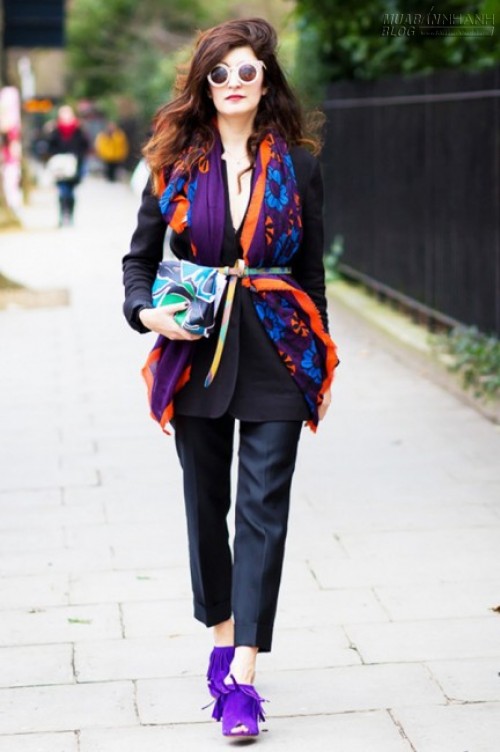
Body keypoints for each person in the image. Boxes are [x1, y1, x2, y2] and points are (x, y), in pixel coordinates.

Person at [122, 17, 338, 740]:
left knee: (264, 508)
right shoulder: (174, 161)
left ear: (266, 81)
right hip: (198, 351)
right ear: (204, 83)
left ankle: (243, 674)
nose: (235, 82)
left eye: (248, 70)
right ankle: (221, 638)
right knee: (205, 502)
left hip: (279, 347)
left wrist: (320, 356)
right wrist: (147, 314)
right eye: (221, 72)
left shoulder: (298, 166)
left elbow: (311, 272)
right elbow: (138, 261)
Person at [47, 105, 89, 226]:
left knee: (70, 192)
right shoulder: (55, 130)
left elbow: (85, 146)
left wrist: (77, 158)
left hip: (74, 166)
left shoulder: (79, 130)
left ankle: (69, 215)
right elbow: (50, 147)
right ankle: (62, 215)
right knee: (62, 192)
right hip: (60, 167)